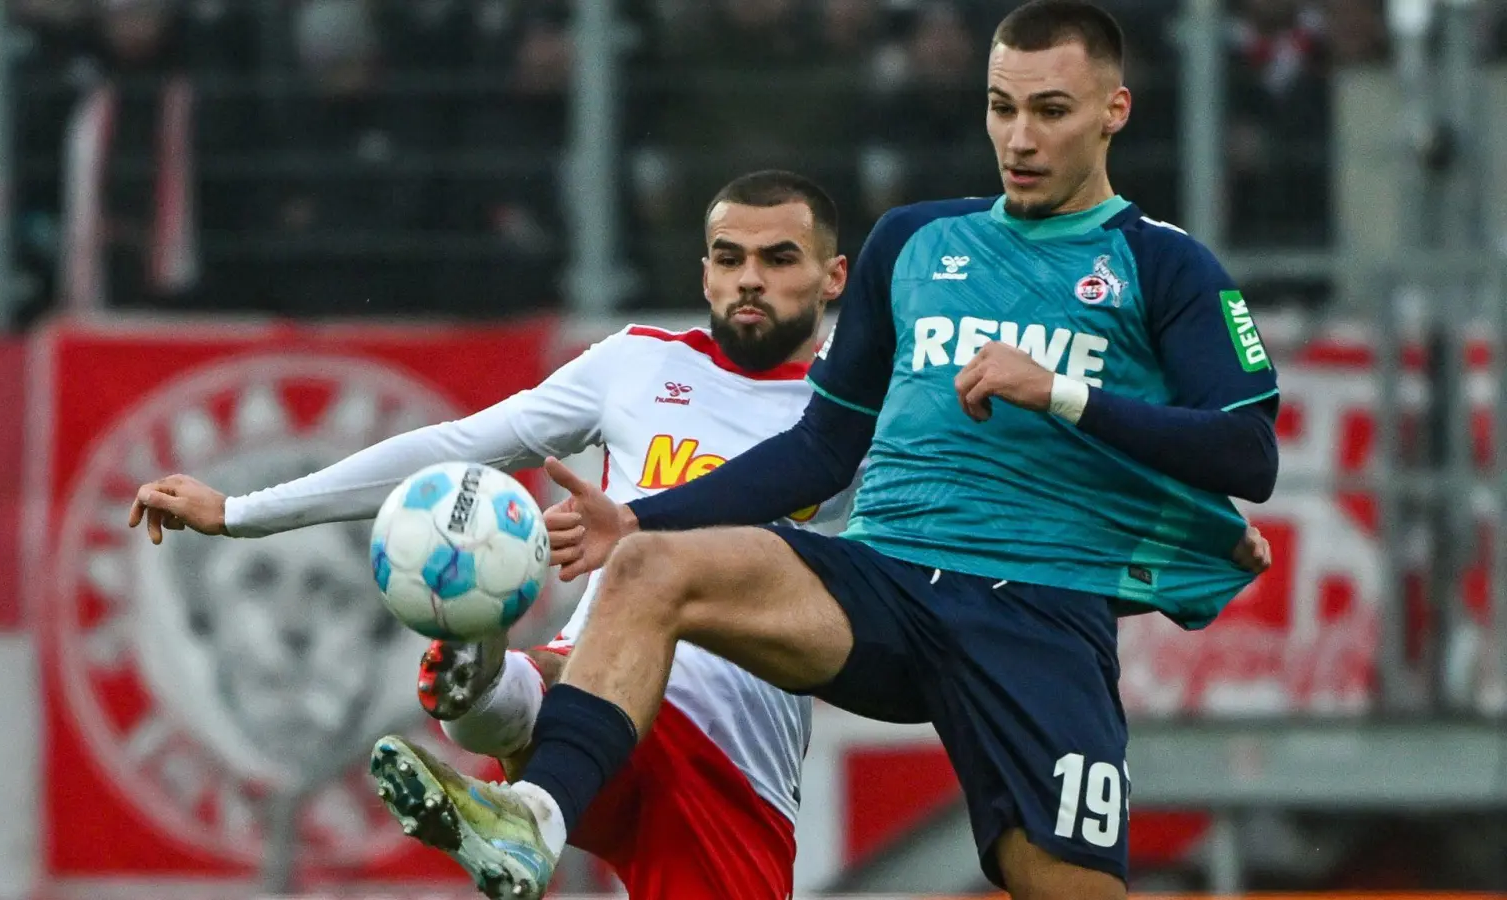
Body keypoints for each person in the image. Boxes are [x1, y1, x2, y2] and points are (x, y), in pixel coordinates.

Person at [381, 2, 1283, 899]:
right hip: (884, 582)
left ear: (1113, 111)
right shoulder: (914, 242)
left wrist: (1061, 391)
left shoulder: (1165, 266)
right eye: (1001, 107)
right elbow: (821, 447)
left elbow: (1247, 451)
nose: (1019, 137)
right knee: (650, 568)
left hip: (1036, 625)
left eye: (1051, 111)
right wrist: (636, 517)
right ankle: (534, 821)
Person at [127, 170, 858, 900]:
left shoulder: (865, 412)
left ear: (834, 278)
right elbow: (460, 445)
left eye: (779, 259)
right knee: (559, 675)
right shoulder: (640, 364)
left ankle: (487, 687)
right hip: (602, 685)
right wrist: (241, 511)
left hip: (734, 749)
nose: (749, 279)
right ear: (704, 273)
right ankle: (484, 667)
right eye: (730, 259)